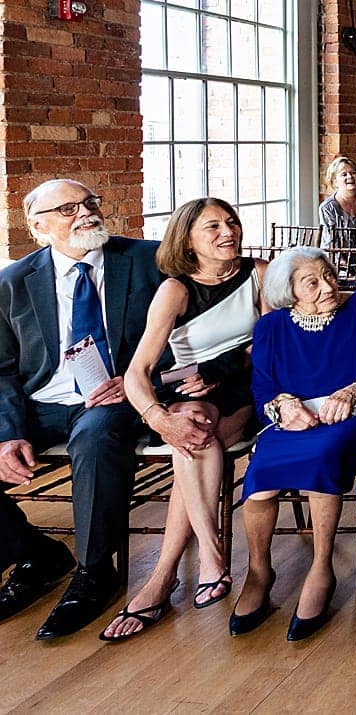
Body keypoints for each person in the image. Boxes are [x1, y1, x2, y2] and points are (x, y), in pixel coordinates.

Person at [0, 181, 161, 639]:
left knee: (95, 436)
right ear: (38, 227)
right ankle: (37, 554)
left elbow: (183, 334)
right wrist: (7, 433)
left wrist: (135, 378)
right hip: (43, 401)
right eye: (68, 208)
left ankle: (94, 572)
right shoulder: (12, 283)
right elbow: (2, 370)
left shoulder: (147, 260)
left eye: (90, 203)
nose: (85, 213)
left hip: (116, 397)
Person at [103, 198, 264, 642]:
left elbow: (271, 345)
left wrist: (221, 371)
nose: (228, 231)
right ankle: (207, 557)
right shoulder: (175, 290)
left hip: (245, 388)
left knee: (192, 439)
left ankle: (164, 576)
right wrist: (156, 417)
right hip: (188, 395)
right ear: (187, 240)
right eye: (212, 227)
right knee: (191, 431)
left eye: (231, 221)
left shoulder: (261, 274)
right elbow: (138, 372)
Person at [228, 248, 356, 642]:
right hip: (292, 420)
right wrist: (284, 407)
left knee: (324, 455)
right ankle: (258, 570)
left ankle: (322, 566)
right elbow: (264, 388)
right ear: (290, 293)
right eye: (313, 282)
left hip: (353, 413)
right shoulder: (272, 327)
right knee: (261, 475)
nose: (328, 287)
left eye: (329, 276)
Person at [318, 156, 356, 246]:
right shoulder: (327, 207)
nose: (350, 177)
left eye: (353, 173)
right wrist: (341, 260)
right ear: (335, 181)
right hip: (339, 257)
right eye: (344, 174)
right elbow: (330, 242)